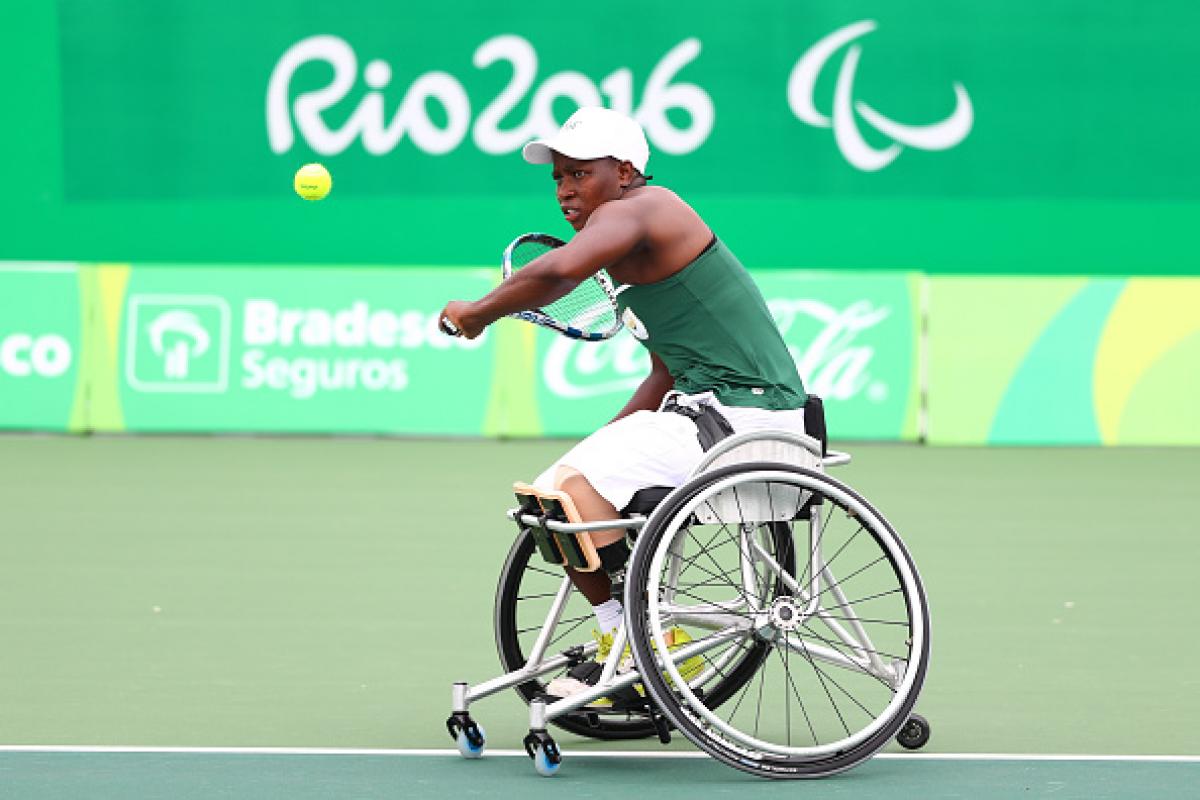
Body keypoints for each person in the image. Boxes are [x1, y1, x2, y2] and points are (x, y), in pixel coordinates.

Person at [439, 106, 808, 699]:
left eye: (580, 174)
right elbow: (665, 373)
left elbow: (560, 270)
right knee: (556, 493)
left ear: (627, 170)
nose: (565, 191)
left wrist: (479, 312)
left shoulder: (652, 207)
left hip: (751, 418)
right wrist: (593, 449)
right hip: (706, 416)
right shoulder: (633, 253)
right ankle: (625, 633)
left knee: (576, 490)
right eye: (559, 177)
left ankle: (651, 643)